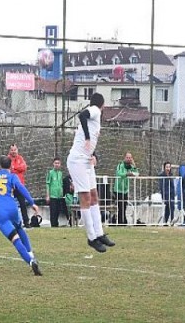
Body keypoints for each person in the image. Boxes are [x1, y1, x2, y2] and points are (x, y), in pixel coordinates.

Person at [66, 92, 115, 252]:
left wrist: (94, 155)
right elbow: (82, 115)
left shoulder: (96, 120)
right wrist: (87, 137)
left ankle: (99, 233)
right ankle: (91, 237)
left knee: (94, 196)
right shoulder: (95, 110)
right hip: (77, 160)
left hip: (87, 160)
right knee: (86, 197)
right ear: (102, 104)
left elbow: (90, 144)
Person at [0, 156, 42, 275]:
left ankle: (30, 261)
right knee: (20, 229)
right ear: (10, 166)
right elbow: (20, 187)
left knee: (15, 239)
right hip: (12, 209)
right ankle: (31, 255)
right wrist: (32, 203)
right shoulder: (12, 176)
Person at [113, 152, 139, 225]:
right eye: (127, 157)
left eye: (130, 158)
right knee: (120, 206)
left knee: (124, 206)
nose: (128, 159)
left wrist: (134, 165)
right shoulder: (120, 165)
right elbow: (119, 174)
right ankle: (121, 222)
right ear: (125, 158)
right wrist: (126, 174)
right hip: (118, 189)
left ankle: (123, 222)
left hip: (125, 190)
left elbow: (137, 173)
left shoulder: (130, 166)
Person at [8, 144, 29, 227]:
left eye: (15, 149)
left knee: (23, 204)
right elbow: (9, 170)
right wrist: (17, 169)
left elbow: (24, 168)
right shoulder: (8, 159)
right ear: (10, 151)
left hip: (20, 185)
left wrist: (15, 168)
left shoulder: (20, 158)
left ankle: (26, 222)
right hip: (10, 186)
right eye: (12, 150)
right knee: (10, 205)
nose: (13, 151)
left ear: (17, 150)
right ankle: (11, 222)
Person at [46, 157, 66, 227]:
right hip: (53, 195)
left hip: (59, 196)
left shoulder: (60, 173)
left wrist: (62, 193)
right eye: (55, 163)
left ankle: (56, 224)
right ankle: (53, 225)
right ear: (53, 164)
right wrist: (48, 195)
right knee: (53, 211)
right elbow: (48, 184)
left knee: (57, 211)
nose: (57, 165)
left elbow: (61, 184)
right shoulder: (50, 173)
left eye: (58, 163)